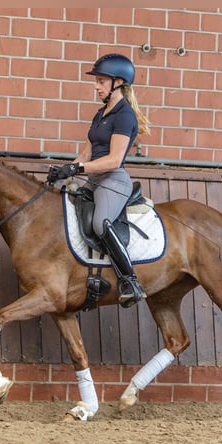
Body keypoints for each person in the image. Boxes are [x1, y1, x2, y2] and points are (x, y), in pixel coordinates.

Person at [47, 53, 151, 308]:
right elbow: (86, 154)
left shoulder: (124, 116)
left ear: (118, 83)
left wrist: (77, 168)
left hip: (112, 180)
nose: (96, 86)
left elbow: (114, 160)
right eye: (97, 81)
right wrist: (64, 169)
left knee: (101, 224)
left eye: (101, 81)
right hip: (94, 179)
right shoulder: (101, 113)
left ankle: (130, 282)